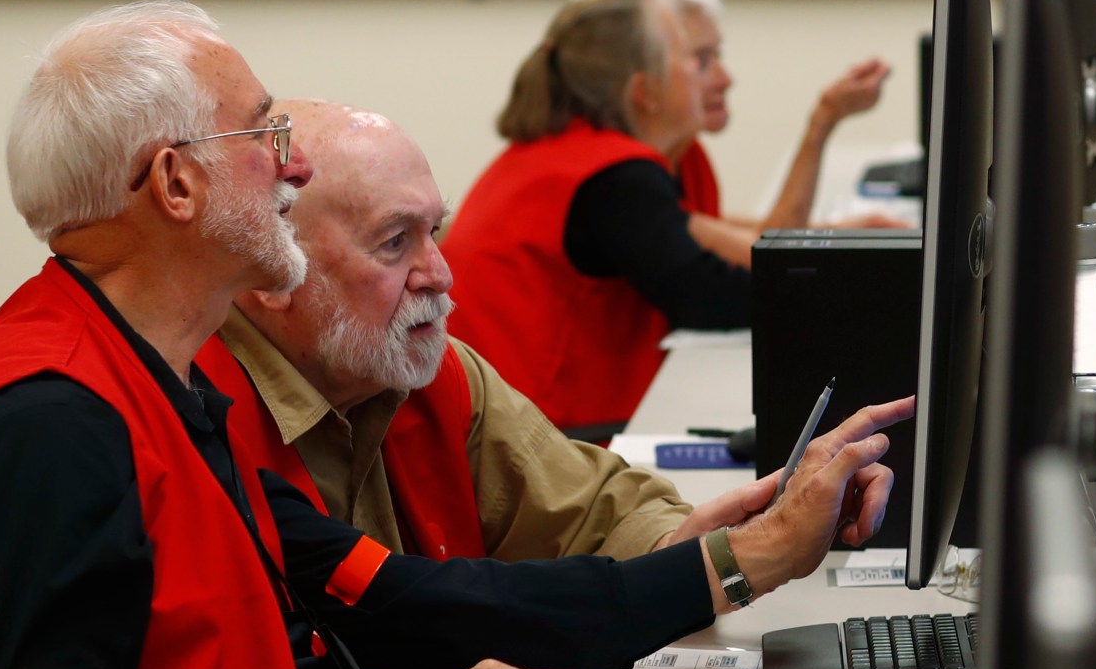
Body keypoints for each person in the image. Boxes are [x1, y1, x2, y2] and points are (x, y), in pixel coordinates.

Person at [0, 0, 902, 669]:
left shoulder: (156, 381)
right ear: (177, 184)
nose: (290, 164)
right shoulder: (53, 423)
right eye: (265, 134)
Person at [205, 100, 772, 561]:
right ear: (270, 271)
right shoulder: (194, 426)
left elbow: (599, 512)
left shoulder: (430, 372)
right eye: (395, 242)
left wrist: (715, 550)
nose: (440, 275)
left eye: (434, 232)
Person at [441, 0, 748, 435]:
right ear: (646, 90)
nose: (710, 75)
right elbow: (702, 294)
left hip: (500, 423)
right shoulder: (613, 176)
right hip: (540, 441)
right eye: (692, 60)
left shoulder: (556, 153)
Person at [572, 0, 894, 267]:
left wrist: (833, 232)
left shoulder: (680, 154)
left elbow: (719, 231)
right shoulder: (613, 180)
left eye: (717, 55)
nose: (725, 79)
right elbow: (776, 263)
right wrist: (823, 120)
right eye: (699, 60)